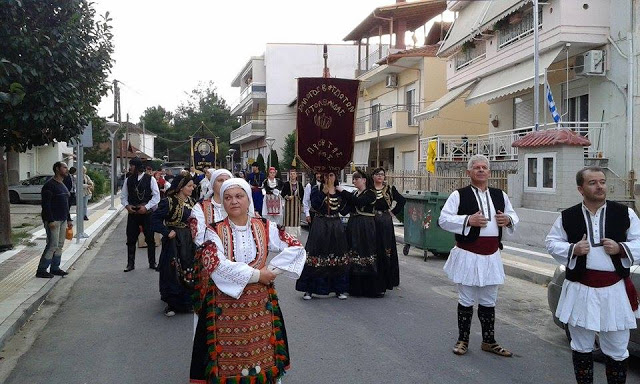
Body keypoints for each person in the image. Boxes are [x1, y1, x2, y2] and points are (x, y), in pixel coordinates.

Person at [189, 178, 306, 383]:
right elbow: (216, 265)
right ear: (223, 202)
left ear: (248, 199)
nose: (234, 201)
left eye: (239, 196)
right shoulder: (212, 230)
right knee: (227, 357)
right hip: (224, 305)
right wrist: (258, 275)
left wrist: (273, 270)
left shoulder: (265, 225)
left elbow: (296, 247)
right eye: (228, 197)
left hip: (260, 303)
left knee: (262, 352)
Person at [545, 166, 640, 384]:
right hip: (580, 288)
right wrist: (573, 250)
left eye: (602, 182)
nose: (600, 186)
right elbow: (551, 243)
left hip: (614, 290)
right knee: (581, 345)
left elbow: (639, 240)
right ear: (581, 189)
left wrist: (620, 248)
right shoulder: (567, 216)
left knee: (617, 347)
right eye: (593, 183)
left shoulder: (625, 213)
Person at [438, 154, 518, 357]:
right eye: (477, 167)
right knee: (466, 298)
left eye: (484, 167)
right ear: (469, 172)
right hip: (468, 253)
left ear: (489, 172)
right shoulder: (459, 195)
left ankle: (489, 341)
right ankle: (462, 340)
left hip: (492, 254)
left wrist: (507, 219)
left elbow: (513, 214)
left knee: (489, 299)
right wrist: (467, 220)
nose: (481, 170)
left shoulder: (500, 195)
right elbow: (444, 220)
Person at [295, 172, 350, 300]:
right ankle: (309, 290)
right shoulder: (317, 189)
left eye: (331, 175)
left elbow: (344, 209)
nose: (329, 178)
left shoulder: (339, 191)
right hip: (320, 224)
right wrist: (323, 193)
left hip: (336, 226)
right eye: (326, 176)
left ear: (335, 177)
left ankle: (339, 289)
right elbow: (315, 205)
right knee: (316, 255)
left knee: (337, 256)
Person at [151, 175, 196, 317]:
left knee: (187, 268)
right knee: (172, 270)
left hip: (188, 240)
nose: (192, 188)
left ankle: (187, 301)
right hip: (173, 240)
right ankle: (172, 303)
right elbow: (153, 220)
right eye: (189, 186)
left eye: (192, 185)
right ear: (181, 187)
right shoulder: (169, 202)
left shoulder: (191, 201)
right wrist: (166, 231)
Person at [343, 170, 385, 297]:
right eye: (353, 179)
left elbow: (359, 202)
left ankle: (370, 288)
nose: (354, 181)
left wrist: (342, 191)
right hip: (354, 225)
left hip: (366, 226)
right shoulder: (355, 193)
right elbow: (346, 209)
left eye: (357, 178)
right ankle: (354, 287)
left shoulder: (370, 194)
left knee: (366, 252)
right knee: (353, 252)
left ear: (364, 180)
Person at [121, 157, 161, 272]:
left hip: (147, 213)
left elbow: (156, 196)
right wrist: (127, 206)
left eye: (132, 165)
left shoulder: (150, 179)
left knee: (150, 238)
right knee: (131, 238)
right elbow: (124, 196)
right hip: (133, 212)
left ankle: (152, 262)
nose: (130, 167)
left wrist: (146, 207)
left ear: (137, 166)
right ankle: (130, 264)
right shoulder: (128, 179)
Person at [36, 161, 72, 278]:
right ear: (57, 169)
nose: (67, 169)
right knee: (52, 244)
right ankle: (41, 270)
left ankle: (55, 268)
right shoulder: (49, 185)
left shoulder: (62, 184)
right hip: (53, 220)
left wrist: (69, 219)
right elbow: (46, 205)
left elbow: (66, 204)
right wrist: (50, 220)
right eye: (64, 167)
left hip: (62, 219)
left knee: (60, 245)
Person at [371, 167, 405, 289]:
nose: (380, 176)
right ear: (373, 176)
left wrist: (393, 212)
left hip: (385, 221)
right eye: (377, 174)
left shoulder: (389, 189)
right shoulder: (369, 190)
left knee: (387, 247)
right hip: (372, 220)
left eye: (382, 174)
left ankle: (389, 277)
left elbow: (402, 200)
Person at [191, 168, 233, 246]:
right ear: (213, 184)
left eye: (227, 180)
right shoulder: (201, 208)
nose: (224, 183)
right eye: (220, 180)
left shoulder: (238, 206)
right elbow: (199, 238)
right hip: (212, 252)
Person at [281, 168, 304, 237]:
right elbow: (282, 193)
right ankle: (288, 235)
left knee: (296, 219)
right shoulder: (286, 184)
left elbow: (302, 194)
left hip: (297, 205)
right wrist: (287, 197)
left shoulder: (299, 184)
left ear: (296, 175)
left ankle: (295, 237)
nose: (292, 175)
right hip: (289, 205)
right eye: (291, 174)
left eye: (294, 174)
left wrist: (301, 204)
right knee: (288, 219)